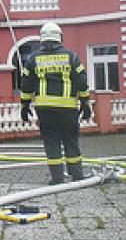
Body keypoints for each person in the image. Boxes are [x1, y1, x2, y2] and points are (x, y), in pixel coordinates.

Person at [19, 22, 91, 185]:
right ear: (59, 37)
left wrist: (24, 105)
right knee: (71, 140)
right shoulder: (71, 56)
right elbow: (81, 81)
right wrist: (85, 102)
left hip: (45, 109)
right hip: (68, 109)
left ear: (42, 38)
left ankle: (57, 178)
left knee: (51, 142)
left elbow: (26, 84)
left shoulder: (33, 58)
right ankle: (77, 175)